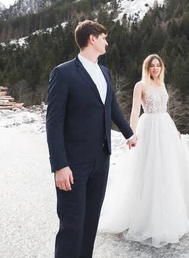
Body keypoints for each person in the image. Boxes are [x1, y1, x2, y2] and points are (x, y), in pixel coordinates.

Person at [45, 20, 138, 258]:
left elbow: (111, 107)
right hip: (73, 163)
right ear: (92, 39)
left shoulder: (104, 72)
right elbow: (54, 122)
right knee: (72, 225)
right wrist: (59, 165)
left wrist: (129, 133)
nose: (107, 42)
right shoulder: (63, 73)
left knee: (90, 224)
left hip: (101, 160)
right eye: (104, 37)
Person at [98, 54, 189, 247]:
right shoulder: (141, 85)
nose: (155, 69)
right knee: (149, 169)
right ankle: (146, 216)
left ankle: (168, 214)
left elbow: (165, 110)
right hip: (149, 128)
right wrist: (130, 134)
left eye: (158, 65)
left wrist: (175, 130)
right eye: (152, 66)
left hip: (165, 128)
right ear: (146, 68)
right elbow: (134, 111)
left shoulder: (161, 84)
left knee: (168, 171)